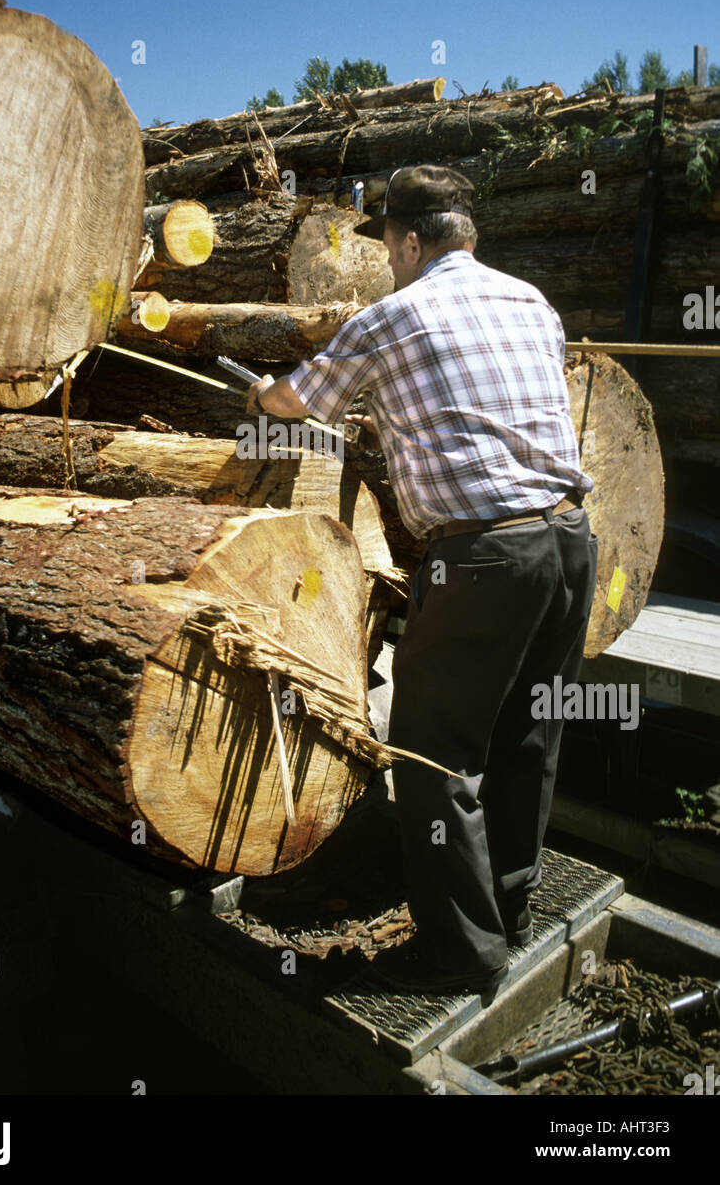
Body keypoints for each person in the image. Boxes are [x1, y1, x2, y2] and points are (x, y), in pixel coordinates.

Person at [244, 164, 597, 995]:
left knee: (433, 757)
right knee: (525, 741)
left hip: (482, 559)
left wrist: (263, 395)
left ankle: (458, 953)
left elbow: (303, 401)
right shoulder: (529, 301)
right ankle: (506, 910)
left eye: (390, 249)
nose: (389, 265)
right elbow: (480, 410)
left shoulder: (392, 316)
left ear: (409, 240)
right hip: (568, 542)